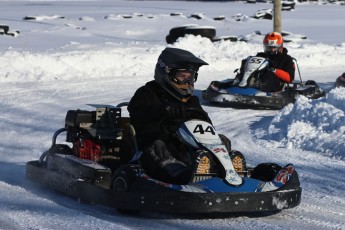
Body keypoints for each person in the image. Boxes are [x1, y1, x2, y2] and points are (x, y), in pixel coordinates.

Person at [128, 47, 231, 184]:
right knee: (158, 145)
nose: (187, 82)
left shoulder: (191, 100)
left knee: (221, 140)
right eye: (182, 76)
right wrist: (163, 110)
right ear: (166, 73)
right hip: (151, 149)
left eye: (190, 77)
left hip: (185, 149)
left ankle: (227, 171)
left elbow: (206, 127)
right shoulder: (146, 93)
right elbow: (138, 113)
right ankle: (182, 175)